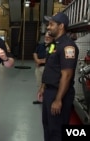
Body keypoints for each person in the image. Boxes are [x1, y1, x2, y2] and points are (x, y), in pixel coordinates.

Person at [37, 12, 79, 141]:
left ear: (61, 26)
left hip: (59, 93)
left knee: (57, 130)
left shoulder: (68, 46)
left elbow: (67, 75)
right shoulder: (55, 44)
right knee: (48, 126)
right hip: (50, 91)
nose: (48, 27)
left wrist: (58, 99)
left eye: (51, 24)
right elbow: (50, 67)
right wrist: (43, 87)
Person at [33, 32, 54, 104]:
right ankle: (40, 99)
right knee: (39, 83)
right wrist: (37, 60)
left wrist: (40, 61)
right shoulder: (40, 45)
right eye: (46, 37)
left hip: (46, 68)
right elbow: (35, 53)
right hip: (38, 68)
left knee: (46, 84)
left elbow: (49, 57)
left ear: (52, 38)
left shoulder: (52, 46)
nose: (46, 38)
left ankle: (46, 100)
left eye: (49, 37)